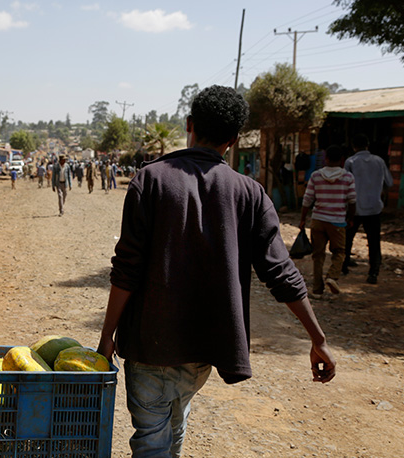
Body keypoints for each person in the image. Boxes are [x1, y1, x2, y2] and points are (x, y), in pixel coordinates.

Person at [98, 85, 335, 458]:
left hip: (150, 345)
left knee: (153, 438)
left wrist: (107, 334)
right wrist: (318, 338)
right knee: (173, 427)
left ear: (189, 124)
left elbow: (127, 267)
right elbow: (281, 272)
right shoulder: (250, 192)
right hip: (204, 351)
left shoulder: (151, 180)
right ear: (234, 138)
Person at [299, 145, 357, 298]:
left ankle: (317, 290)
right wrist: (350, 218)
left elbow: (307, 200)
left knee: (318, 255)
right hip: (337, 221)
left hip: (318, 220)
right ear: (342, 160)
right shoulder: (348, 177)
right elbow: (352, 201)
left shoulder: (316, 176)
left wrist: (303, 219)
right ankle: (332, 276)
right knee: (339, 251)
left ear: (326, 159)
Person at [343, 134, 393, 284]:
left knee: (348, 238)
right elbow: (389, 182)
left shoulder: (350, 161)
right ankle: (373, 272)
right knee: (374, 241)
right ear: (368, 145)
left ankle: (344, 265)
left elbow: (345, 185)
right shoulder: (379, 161)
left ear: (353, 146)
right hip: (374, 208)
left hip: (354, 208)